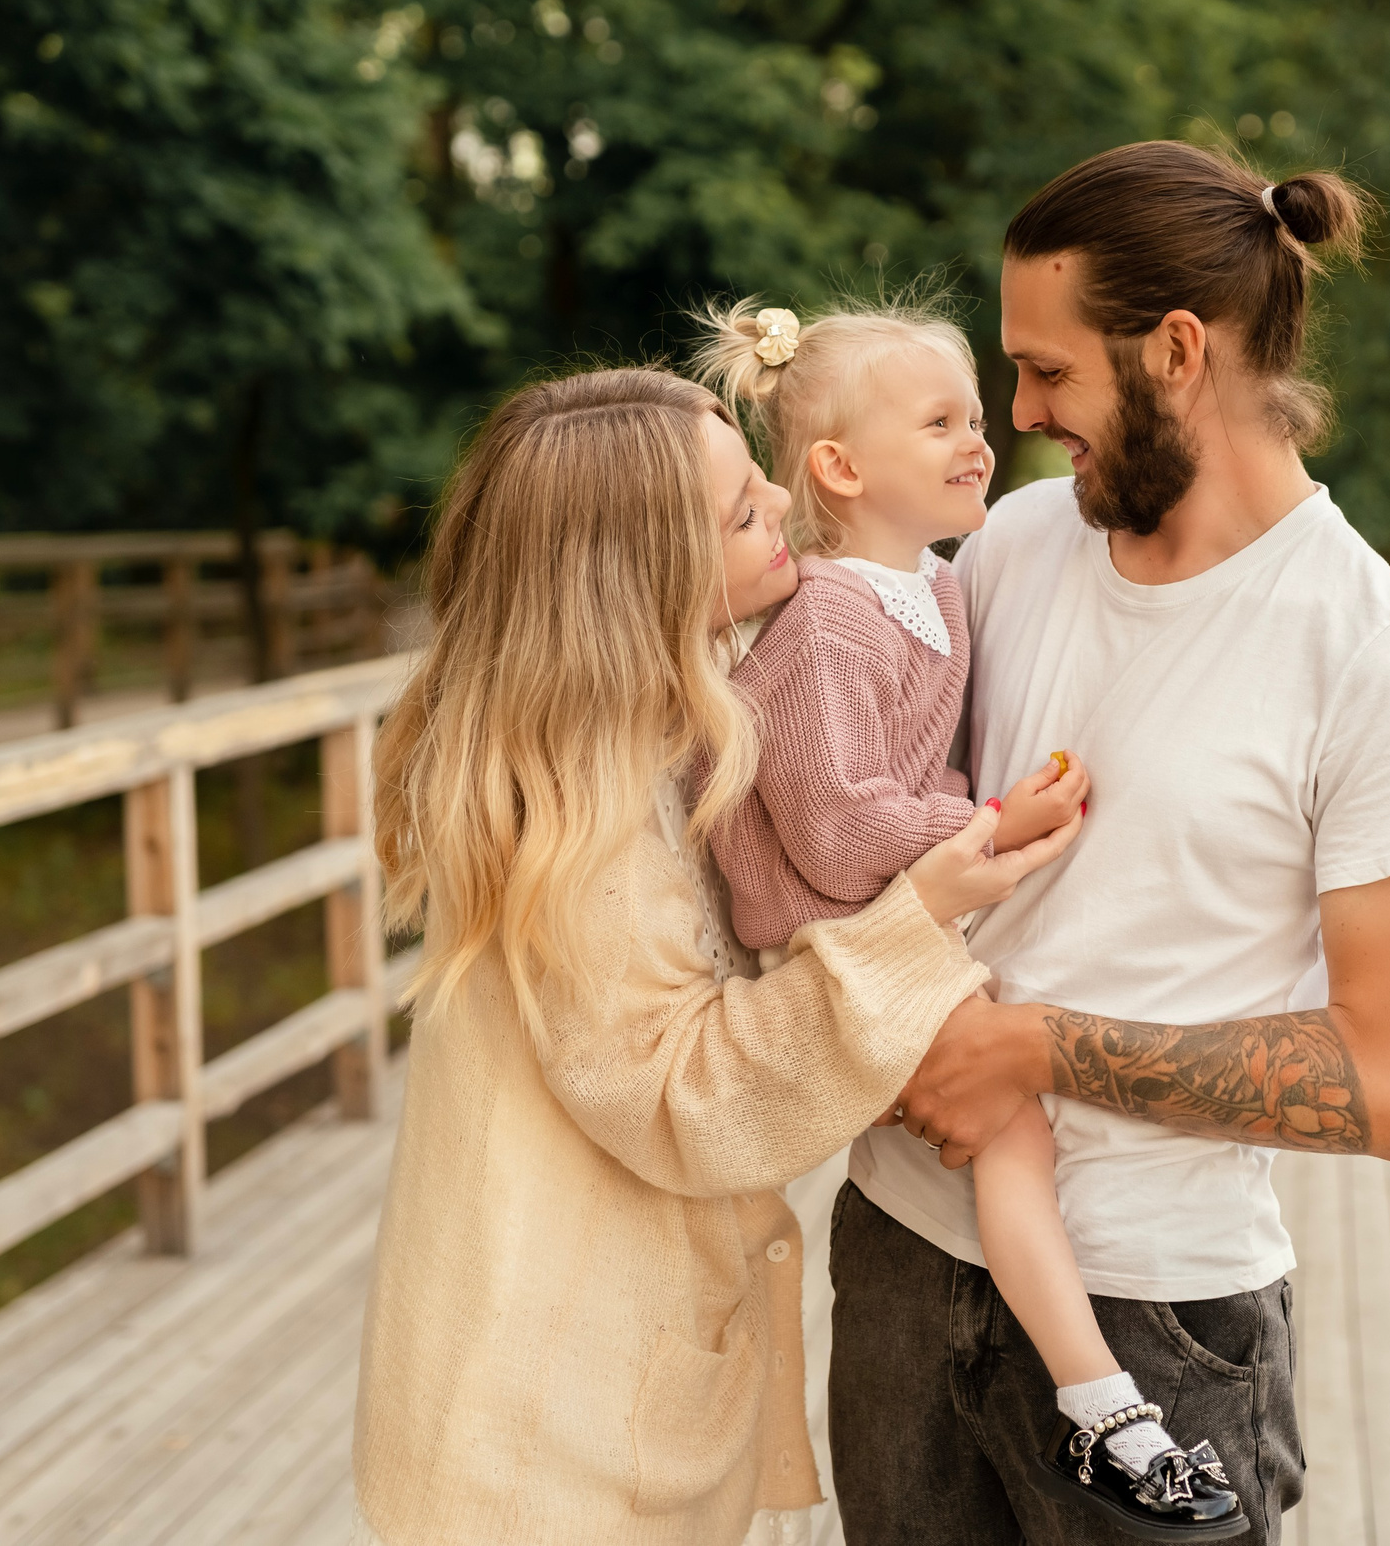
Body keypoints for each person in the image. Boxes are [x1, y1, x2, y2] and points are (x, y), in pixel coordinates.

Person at [828, 141, 1390, 1545]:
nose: (1020, 412)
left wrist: (1038, 1048)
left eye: (1049, 371)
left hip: (1158, 1324)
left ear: (1177, 348)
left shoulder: (1375, 652)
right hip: (898, 1253)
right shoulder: (1008, 547)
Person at [348, 367, 1080, 1545]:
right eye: (743, 513)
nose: (786, 505)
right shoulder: (577, 814)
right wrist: (913, 918)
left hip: (572, 1393)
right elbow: (673, 1093)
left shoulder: (640, 720)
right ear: (640, 577)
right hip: (545, 1442)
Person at [692, 295, 1242, 1538]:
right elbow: (834, 821)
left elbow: (898, 781)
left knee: (1013, 1139)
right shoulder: (829, 614)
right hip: (827, 922)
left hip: (888, 909)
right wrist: (986, 827)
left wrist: (977, 816)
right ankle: (1106, 1409)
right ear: (839, 467)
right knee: (1010, 1138)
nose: (982, 440)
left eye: (977, 417)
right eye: (941, 422)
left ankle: (1098, 1403)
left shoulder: (933, 587)